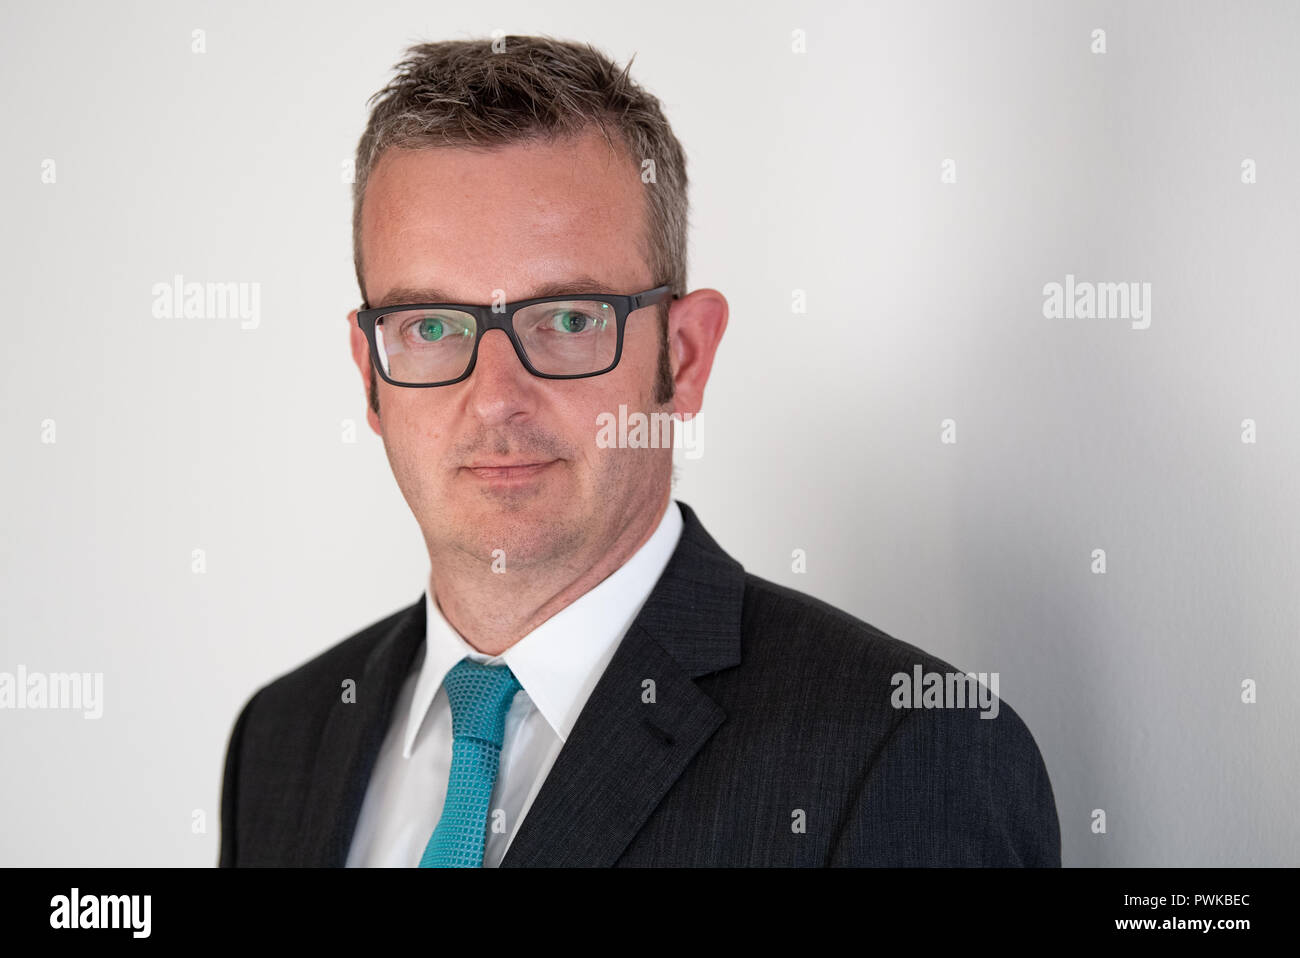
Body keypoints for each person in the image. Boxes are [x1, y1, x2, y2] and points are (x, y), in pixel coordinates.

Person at [218, 34, 1061, 867]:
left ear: (685, 357)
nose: (497, 396)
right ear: (372, 373)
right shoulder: (282, 741)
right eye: (430, 326)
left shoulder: (905, 753)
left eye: (570, 319)